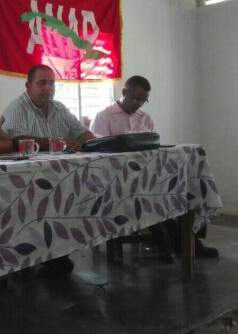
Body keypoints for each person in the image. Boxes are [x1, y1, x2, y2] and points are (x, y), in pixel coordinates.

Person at [91, 75, 218, 260]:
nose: (140, 104)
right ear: (125, 92)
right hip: (117, 182)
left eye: (144, 100)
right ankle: (171, 243)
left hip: (147, 178)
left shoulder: (146, 118)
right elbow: (98, 155)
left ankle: (187, 242)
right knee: (148, 199)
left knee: (182, 190)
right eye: (136, 99)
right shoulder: (104, 117)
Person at [2, 64, 96, 274]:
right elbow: (18, 141)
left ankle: (57, 249)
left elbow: (82, 134)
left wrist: (100, 143)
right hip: (25, 181)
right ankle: (38, 253)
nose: (48, 88)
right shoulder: (18, 107)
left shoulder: (59, 108)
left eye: (52, 83)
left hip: (60, 178)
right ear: (28, 86)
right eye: (42, 83)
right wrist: (58, 142)